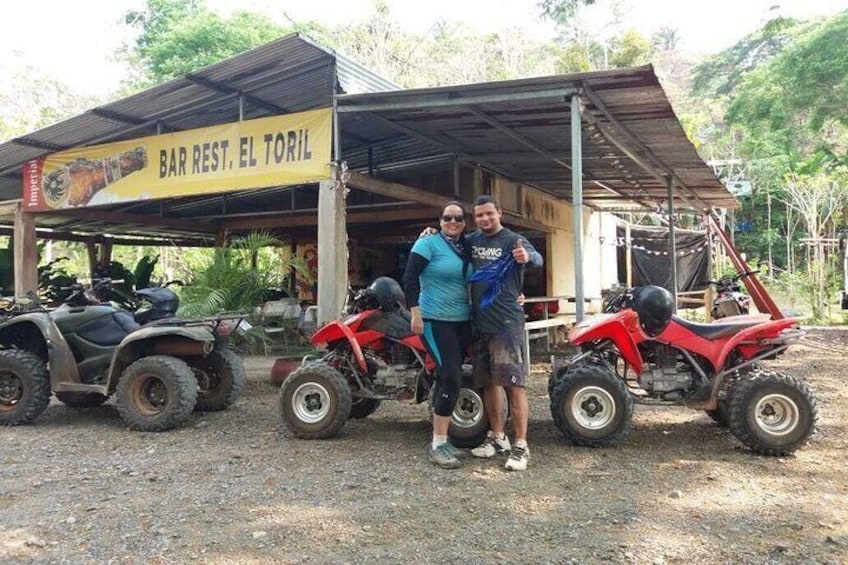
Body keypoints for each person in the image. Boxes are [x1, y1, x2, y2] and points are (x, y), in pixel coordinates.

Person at [466, 195, 542, 471]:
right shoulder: (473, 241)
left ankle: (521, 445)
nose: (485, 219)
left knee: (513, 384)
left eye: (489, 214)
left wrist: (527, 256)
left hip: (506, 324)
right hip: (480, 324)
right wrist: (430, 232)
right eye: (479, 215)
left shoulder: (513, 240)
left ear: (499, 212)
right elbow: (449, 244)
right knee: (489, 383)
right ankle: (498, 437)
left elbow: (538, 259)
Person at [402, 201, 473, 469]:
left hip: (462, 321)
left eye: (458, 218)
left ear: (464, 222)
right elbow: (409, 278)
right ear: (440, 221)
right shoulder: (427, 243)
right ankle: (438, 444)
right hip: (434, 320)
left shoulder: (465, 247)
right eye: (447, 218)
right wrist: (416, 314)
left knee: (450, 377)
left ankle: (444, 439)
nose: (452, 222)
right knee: (451, 376)